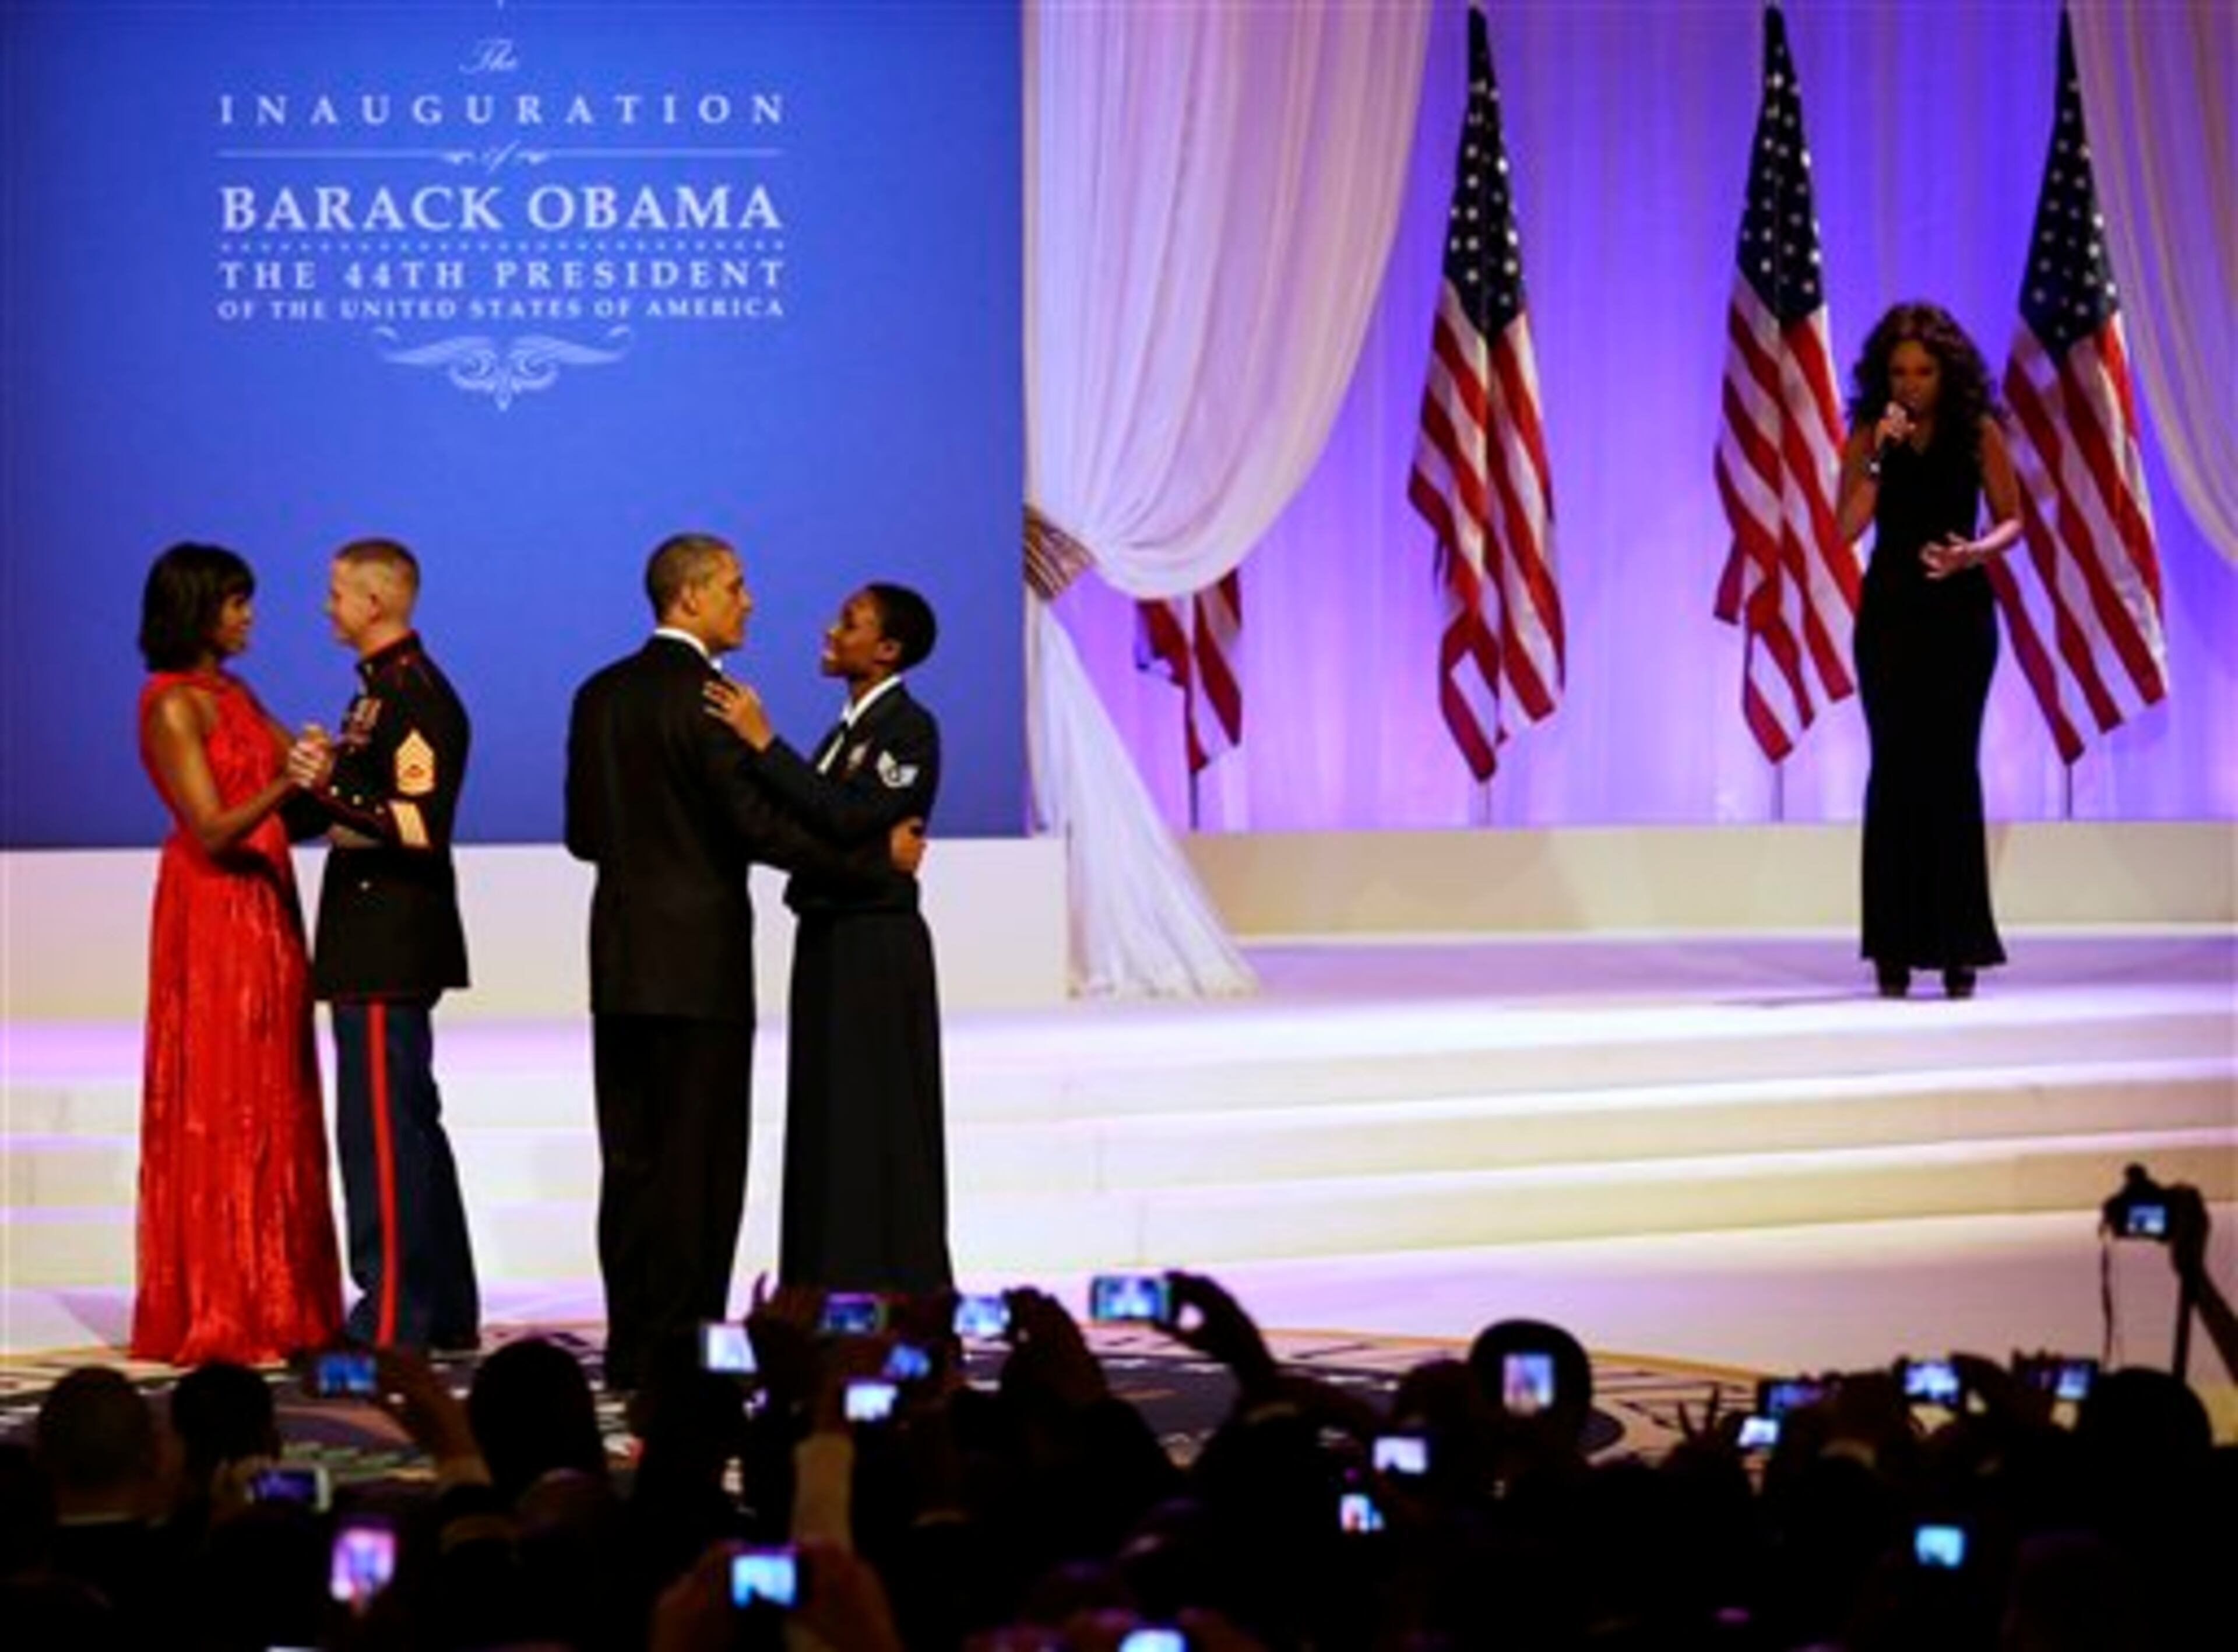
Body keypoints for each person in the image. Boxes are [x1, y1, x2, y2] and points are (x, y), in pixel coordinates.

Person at [564, 532, 924, 1392]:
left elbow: (585, 833)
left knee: (633, 1163)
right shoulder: (715, 700)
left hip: (619, 963)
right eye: (734, 585)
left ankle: (629, 1346)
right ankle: (685, 1355)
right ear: (690, 599)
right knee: (700, 1166)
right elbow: (764, 829)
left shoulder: (598, 693)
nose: (750, 599)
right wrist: (879, 861)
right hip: (700, 969)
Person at [704, 582, 953, 1294]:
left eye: (850, 623)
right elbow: (824, 825)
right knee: (830, 1127)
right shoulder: (845, 732)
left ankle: (898, 1298)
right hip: (831, 937)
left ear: (887, 650)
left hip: (875, 947)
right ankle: (826, 1295)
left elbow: (844, 816)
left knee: (877, 1128)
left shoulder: (909, 728)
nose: (830, 629)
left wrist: (762, 744)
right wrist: (873, 852)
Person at [131, 543, 343, 1366]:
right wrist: (294, 780)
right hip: (215, 914)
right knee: (223, 1100)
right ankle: (225, 1299)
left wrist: (328, 765)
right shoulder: (173, 705)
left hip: (268, 909)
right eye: (235, 603)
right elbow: (214, 828)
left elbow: (300, 791)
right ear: (195, 608)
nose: (249, 616)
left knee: (277, 1096)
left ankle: (284, 1293)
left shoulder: (237, 691)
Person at [288, 538, 481, 1350]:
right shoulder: (376, 695)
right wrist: (311, 782)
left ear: (375, 602)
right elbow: (353, 808)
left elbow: (416, 824)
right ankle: (445, 1308)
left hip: (386, 940)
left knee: (381, 1134)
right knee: (409, 1125)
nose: (327, 606)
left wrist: (324, 783)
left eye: (336, 593)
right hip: (379, 937)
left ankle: (392, 1316)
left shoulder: (416, 696)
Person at [1835, 302, 2022, 1001]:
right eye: (1899, 371)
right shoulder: (1866, 435)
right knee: (1895, 771)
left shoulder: (1978, 431)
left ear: (1948, 371)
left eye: (1924, 370)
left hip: (1959, 618)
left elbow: (2013, 518)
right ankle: (1892, 946)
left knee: (1951, 772)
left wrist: (1976, 551)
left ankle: (1959, 948)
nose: (1911, 383)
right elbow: (1846, 525)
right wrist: (1880, 454)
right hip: (1889, 618)